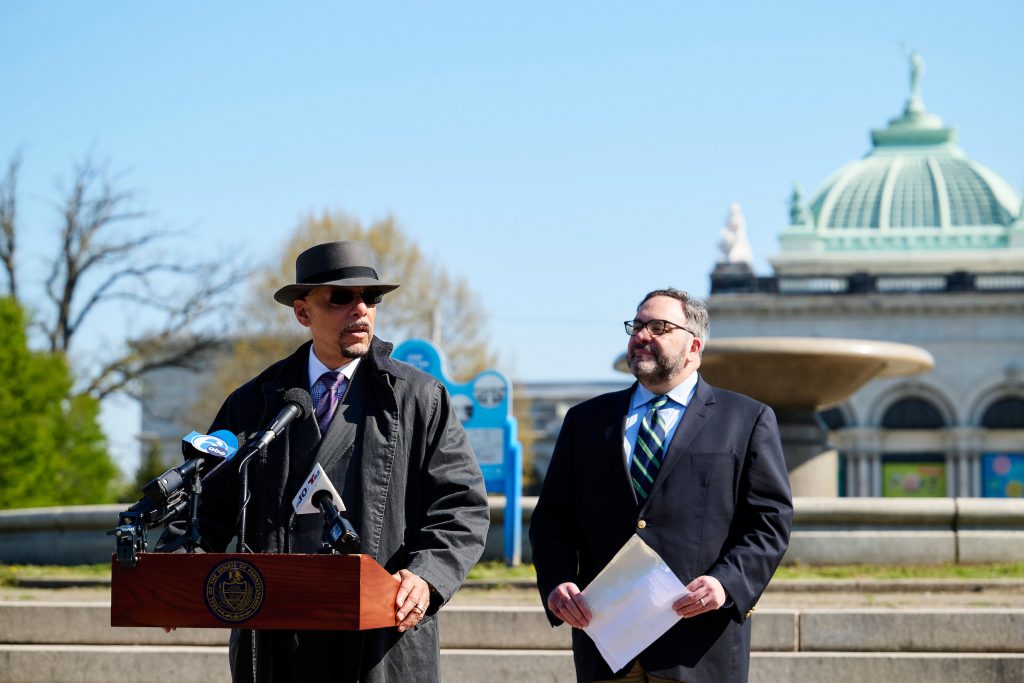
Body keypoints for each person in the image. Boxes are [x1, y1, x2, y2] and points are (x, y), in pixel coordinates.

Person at [184, 240, 489, 683]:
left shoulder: (417, 397)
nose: (360, 309)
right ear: (303, 312)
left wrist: (425, 577)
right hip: (275, 645)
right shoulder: (254, 402)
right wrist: (179, 579)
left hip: (380, 641)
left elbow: (462, 507)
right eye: (341, 297)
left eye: (371, 297)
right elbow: (205, 505)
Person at [529, 288, 793, 682]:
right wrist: (558, 580)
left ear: (694, 345)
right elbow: (552, 519)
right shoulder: (585, 421)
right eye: (636, 326)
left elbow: (769, 521)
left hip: (698, 645)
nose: (641, 336)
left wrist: (726, 583)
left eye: (659, 327)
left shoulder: (747, 419)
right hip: (607, 643)